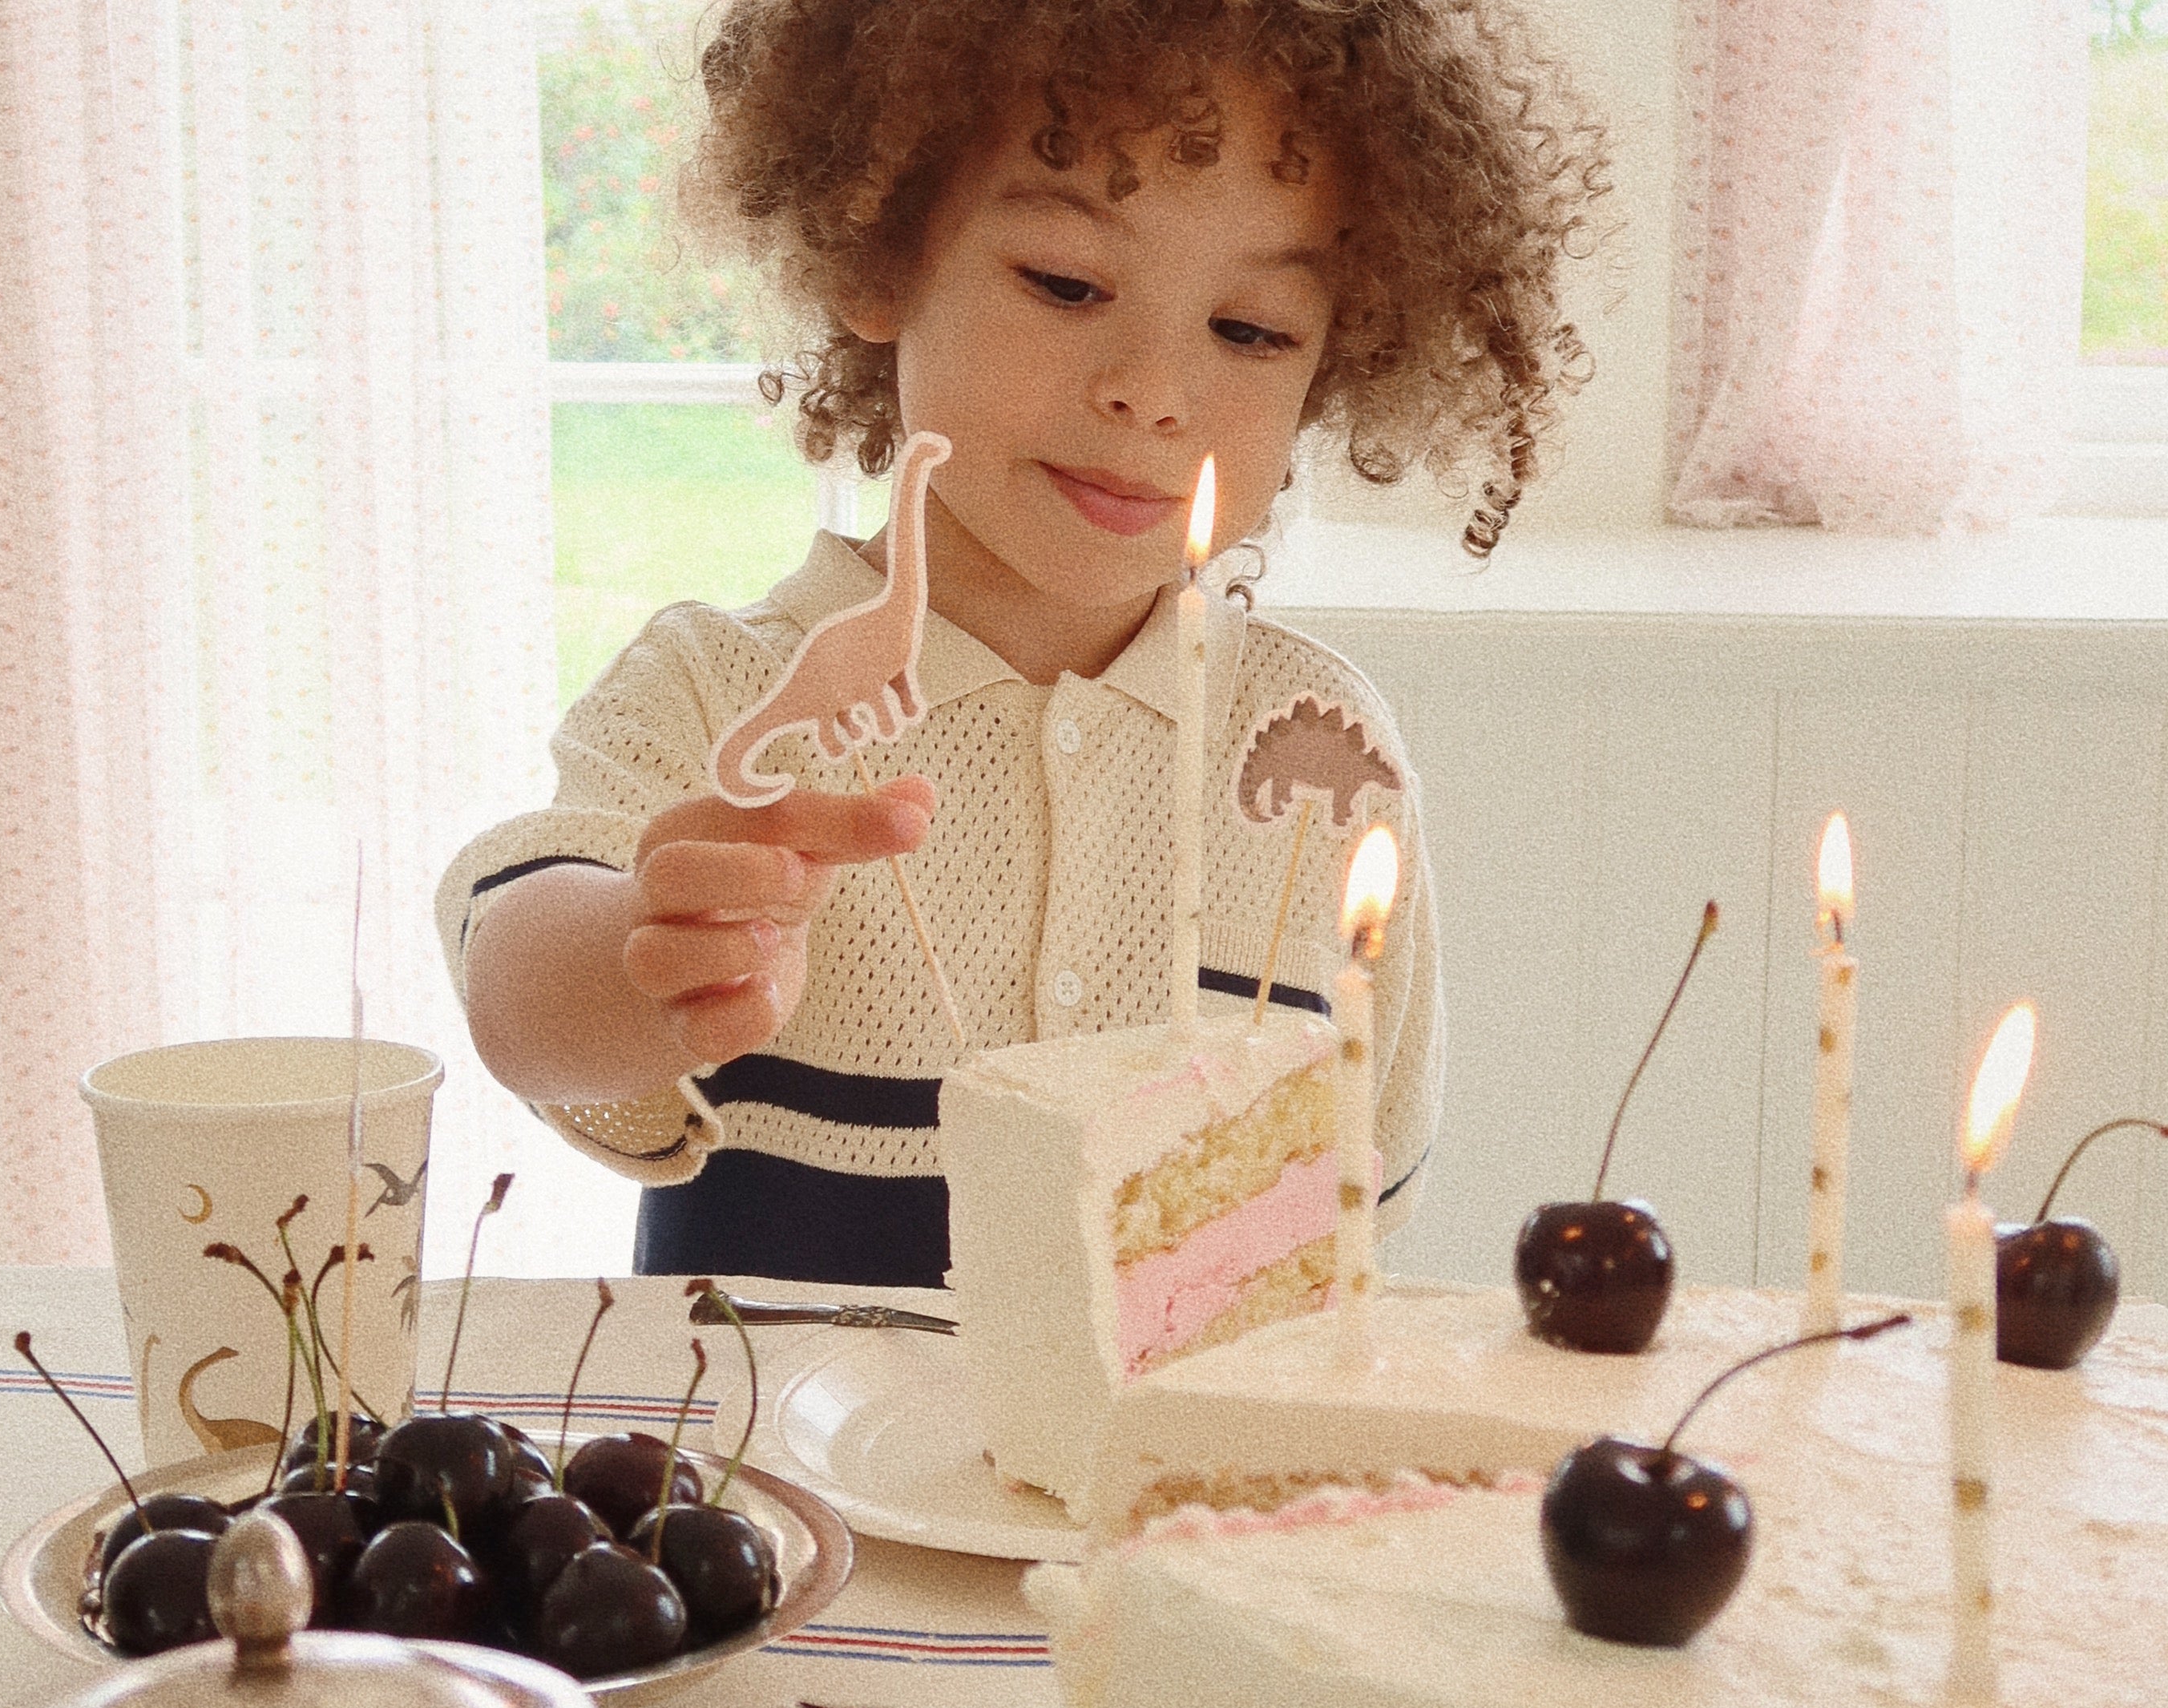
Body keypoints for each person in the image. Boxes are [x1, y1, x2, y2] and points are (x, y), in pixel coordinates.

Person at [440, 0, 1609, 1286]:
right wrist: (647, 949)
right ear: (875, 255)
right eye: (1066, 284)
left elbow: (1353, 1197)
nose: (1153, 391)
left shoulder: (1326, 760)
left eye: (1251, 330)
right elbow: (521, 994)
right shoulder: (721, 691)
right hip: (783, 1473)